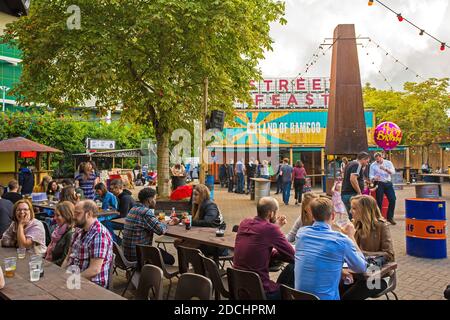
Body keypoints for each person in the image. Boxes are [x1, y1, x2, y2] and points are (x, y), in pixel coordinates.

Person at [294, 197, 367, 300]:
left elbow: (318, 258)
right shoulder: (341, 240)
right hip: (327, 297)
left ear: (313, 216)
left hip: (299, 296)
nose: (351, 212)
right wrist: (351, 237)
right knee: (367, 284)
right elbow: (361, 267)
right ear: (333, 215)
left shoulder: (301, 233)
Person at [233, 197, 294, 300]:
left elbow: (259, 242)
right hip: (260, 291)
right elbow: (292, 255)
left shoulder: (244, 223)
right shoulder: (271, 229)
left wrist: (275, 227)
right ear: (271, 213)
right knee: (292, 271)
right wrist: (275, 228)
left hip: (238, 287)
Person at [340, 195, 395, 300]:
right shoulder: (354, 225)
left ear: (366, 210)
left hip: (378, 277)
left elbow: (389, 255)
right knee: (336, 291)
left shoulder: (381, 226)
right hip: (357, 274)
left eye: (354, 208)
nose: (351, 211)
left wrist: (362, 253)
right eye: (351, 208)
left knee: (348, 297)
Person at [61, 200, 113, 288]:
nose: (73, 216)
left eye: (77, 213)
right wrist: (61, 274)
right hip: (73, 278)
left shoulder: (99, 234)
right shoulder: (79, 230)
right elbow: (68, 257)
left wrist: (71, 280)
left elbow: (94, 270)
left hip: (91, 285)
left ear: (88, 214)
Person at [122, 188, 177, 265]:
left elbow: (146, 223)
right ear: (149, 200)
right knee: (170, 259)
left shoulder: (133, 209)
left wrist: (157, 221)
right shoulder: (146, 212)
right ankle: (151, 274)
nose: (155, 201)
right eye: (154, 199)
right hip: (139, 255)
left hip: (126, 254)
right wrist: (167, 224)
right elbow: (161, 230)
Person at [369, 152, 397, 225]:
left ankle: (390, 217)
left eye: (379, 159)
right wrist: (374, 178)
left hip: (388, 182)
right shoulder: (373, 165)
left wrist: (385, 169)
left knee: (393, 199)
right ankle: (379, 218)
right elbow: (370, 176)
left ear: (382, 157)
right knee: (379, 201)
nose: (378, 161)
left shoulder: (388, 163)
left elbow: (393, 172)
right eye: (376, 160)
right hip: (379, 183)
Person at [341, 152, 370, 219]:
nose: (367, 163)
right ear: (363, 159)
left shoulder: (350, 163)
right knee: (356, 216)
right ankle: (355, 229)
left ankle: (353, 228)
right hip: (352, 194)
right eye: (367, 161)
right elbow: (353, 178)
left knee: (352, 216)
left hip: (346, 193)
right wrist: (359, 192)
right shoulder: (357, 164)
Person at [45, 201, 75, 266]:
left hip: (58, 270)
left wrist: (47, 265)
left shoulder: (70, 234)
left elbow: (64, 259)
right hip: (50, 263)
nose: (54, 218)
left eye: (58, 215)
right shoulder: (58, 229)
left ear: (67, 216)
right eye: (54, 215)